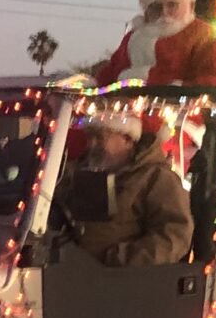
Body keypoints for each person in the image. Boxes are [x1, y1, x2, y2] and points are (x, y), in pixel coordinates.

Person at [63, 108, 193, 266]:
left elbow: (175, 235)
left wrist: (121, 258)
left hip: (123, 281)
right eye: (90, 137)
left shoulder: (155, 178)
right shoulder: (80, 172)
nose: (92, 145)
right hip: (75, 272)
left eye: (99, 137)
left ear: (127, 139)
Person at [98, 0, 216, 88]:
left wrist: (176, 89)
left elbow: (215, 79)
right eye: (156, 7)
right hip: (124, 107)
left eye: (172, 5)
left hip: (180, 109)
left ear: (190, 6)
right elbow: (110, 73)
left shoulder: (205, 35)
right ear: (146, 11)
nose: (164, 12)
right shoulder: (134, 37)